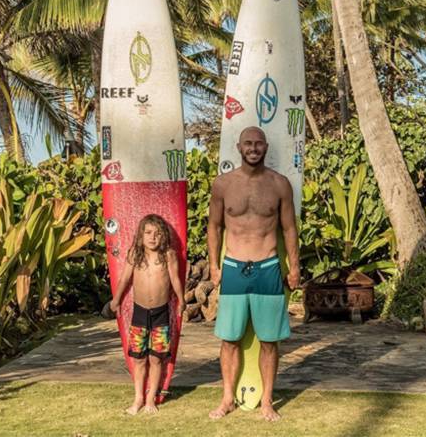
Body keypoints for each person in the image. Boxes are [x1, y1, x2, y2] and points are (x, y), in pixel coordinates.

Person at [207, 126, 300, 422]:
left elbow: (289, 229)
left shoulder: (280, 184)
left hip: (268, 268)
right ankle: (227, 399)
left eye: (258, 144)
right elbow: (214, 226)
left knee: (269, 341)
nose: (253, 148)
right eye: (248, 143)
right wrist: (213, 265)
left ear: (266, 147)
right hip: (234, 268)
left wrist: (295, 267)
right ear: (239, 147)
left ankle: (267, 401)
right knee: (229, 339)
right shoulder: (223, 184)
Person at [110, 214, 186, 415]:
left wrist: (181, 300)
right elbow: (125, 279)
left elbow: (175, 280)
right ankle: (138, 398)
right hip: (140, 313)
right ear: (141, 235)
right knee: (139, 358)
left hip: (161, 313)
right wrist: (116, 300)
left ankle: (151, 398)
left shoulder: (168, 255)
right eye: (148, 233)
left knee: (156, 358)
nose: (153, 237)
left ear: (164, 236)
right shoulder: (135, 254)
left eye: (157, 233)